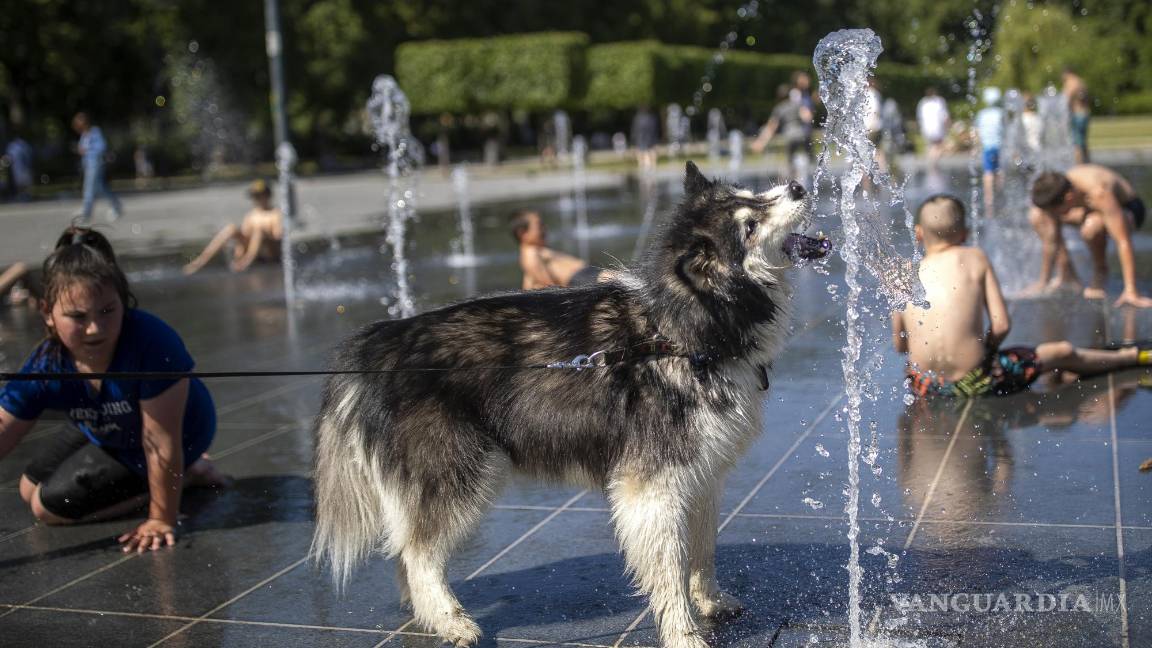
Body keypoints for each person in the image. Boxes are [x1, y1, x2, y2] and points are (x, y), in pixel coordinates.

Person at [0, 227, 228, 552]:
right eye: (77, 316)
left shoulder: (150, 342)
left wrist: (162, 517)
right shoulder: (47, 361)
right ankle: (175, 475)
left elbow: (160, 442)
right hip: (107, 425)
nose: (95, 328)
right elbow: (4, 426)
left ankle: (189, 472)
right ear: (47, 312)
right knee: (26, 488)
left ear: (123, 301)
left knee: (45, 508)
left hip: (177, 433)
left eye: (107, 311)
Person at [892, 194, 1150, 398]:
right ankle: (1129, 357)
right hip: (977, 381)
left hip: (924, 385)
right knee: (1061, 351)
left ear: (918, 233)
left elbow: (900, 345)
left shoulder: (903, 273)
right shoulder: (974, 258)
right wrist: (988, 352)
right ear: (965, 233)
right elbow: (1002, 325)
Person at [1028, 166, 1150, 307]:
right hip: (1087, 209)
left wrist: (1131, 290)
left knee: (1092, 226)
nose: (1053, 214)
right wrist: (1044, 282)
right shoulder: (1061, 186)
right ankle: (1065, 273)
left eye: (1056, 210)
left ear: (1069, 198)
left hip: (1128, 208)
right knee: (1038, 217)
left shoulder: (1099, 193)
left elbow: (1123, 241)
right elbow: (1049, 234)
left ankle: (1100, 271)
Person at [182, 179, 283, 275]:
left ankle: (245, 262)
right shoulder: (251, 215)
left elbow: (278, 237)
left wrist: (261, 234)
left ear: (267, 196)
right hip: (252, 252)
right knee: (231, 228)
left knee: (259, 231)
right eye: (254, 196)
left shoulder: (275, 214)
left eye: (259, 196)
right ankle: (200, 261)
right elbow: (244, 237)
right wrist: (238, 252)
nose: (256, 199)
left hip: (269, 253)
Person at [511, 210, 602, 289]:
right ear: (522, 233)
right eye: (539, 226)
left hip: (586, 277)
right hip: (583, 279)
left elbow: (530, 284)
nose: (545, 229)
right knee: (614, 279)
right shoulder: (530, 253)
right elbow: (551, 288)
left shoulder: (537, 251)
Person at [751, 84, 812, 179]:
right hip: (802, 135)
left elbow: (771, 128)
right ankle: (813, 177)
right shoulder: (797, 104)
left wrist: (760, 143)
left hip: (790, 137)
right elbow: (807, 117)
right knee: (809, 158)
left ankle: (794, 181)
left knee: (791, 162)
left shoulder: (779, 108)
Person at [71, 112, 123, 224]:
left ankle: (86, 212)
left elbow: (101, 147)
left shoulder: (94, 132)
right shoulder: (84, 135)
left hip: (95, 164)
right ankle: (116, 206)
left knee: (88, 188)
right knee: (101, 188)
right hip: (89, 165)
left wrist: (87, 150)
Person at [974, 87, 1005, 217]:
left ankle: (989, 198)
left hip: (987, 146)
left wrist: (977, 145)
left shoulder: (982, 114)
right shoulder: (1001, 113)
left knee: (988, 172)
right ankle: (1000, 194)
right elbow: (1006, 130)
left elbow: (976, 131)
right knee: (999, 171)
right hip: (999, 145)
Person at [916, 87, 950, 171]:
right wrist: (948, 126)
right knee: (939, 146)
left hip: (926, 128)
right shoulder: (939, 101)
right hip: (937, 128)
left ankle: (931, 163)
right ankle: (933, 164)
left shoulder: (922, 102)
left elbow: (919, 117)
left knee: (932, 146)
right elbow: (944, 116)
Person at [4, 133, 34, 201]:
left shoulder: (13, 146)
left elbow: (8, 158)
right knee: (23, 183)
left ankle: (25, 196)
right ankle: (24, 196)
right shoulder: (23, 145)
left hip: (19, 168)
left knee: (22, 183)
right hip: (21, 167)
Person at [631, 106, 659, 171]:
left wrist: (634, 140)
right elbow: (655, 129)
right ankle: (652, 166)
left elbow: (635, 130)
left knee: (642, 152)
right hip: (650, 138)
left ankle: (642, 166)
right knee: (650, 151)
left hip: (641, 138)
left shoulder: (637, 118)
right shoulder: (652, 118)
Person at [1070, 90, 1091, 164]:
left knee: (1081, 155)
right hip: (1075, 138)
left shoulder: (1085, 111)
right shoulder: (1073, 110)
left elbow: (1080, 126)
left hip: (1079, 138)